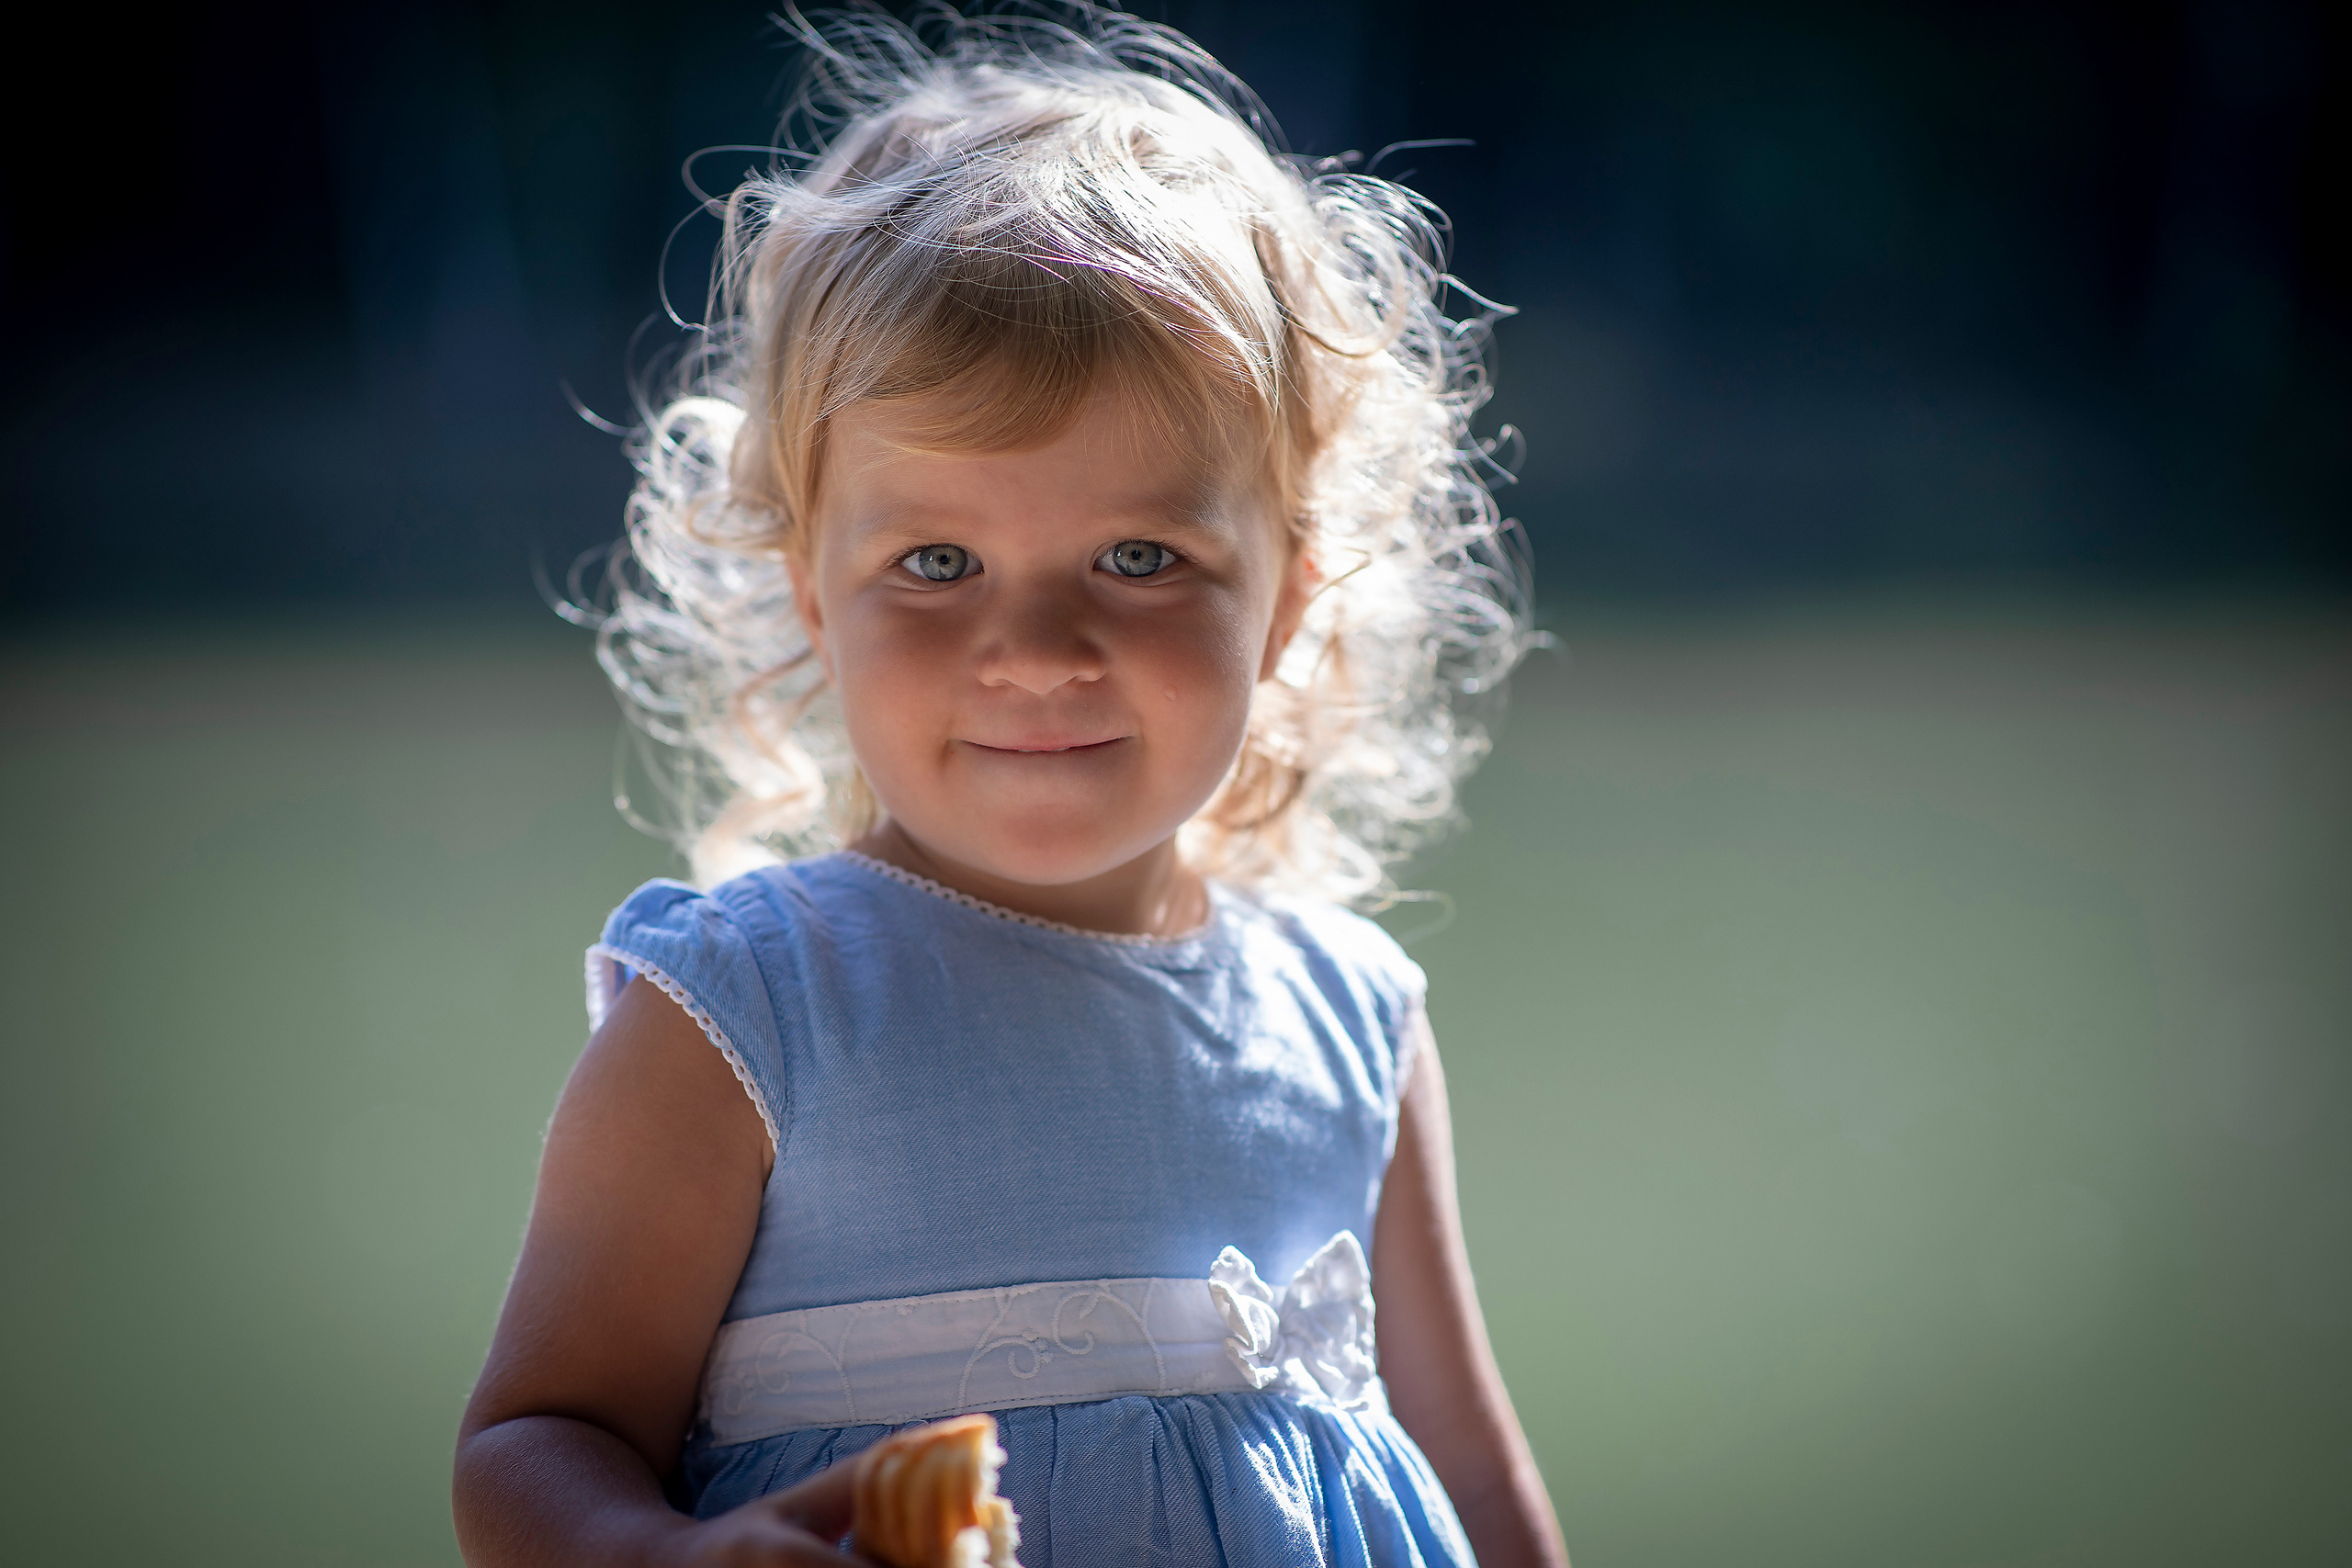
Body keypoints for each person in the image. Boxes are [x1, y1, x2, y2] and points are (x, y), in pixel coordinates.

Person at [453, 6, 1562, 1564]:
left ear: (1287, 600)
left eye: (1139, 557)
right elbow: (535, 1442)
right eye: (937, 563)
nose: (1036, 651)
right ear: (816, 598)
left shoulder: (1353, 1020)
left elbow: (1476, 1486)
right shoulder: (746, 1016)